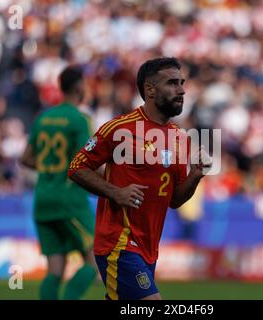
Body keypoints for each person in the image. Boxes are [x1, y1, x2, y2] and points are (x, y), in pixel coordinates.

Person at [68, 57, 210, 300]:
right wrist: (115, 192)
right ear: (150, 89)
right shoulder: (120, 129)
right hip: (119, 243)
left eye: (182, 83)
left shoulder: (179, 138)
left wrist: (195, 175)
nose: (181, 89)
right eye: (172, 83)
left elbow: (174, 200)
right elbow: (77, 167)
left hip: (148, 248)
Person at [21, 66, 97, 300]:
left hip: (42, 198)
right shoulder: (79, 119)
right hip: (69, 199)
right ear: (78, 87)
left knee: (55, 269)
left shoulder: (43, 117)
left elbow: (25, 159)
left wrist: (49, 169)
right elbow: (86, 160)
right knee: (96, 258)